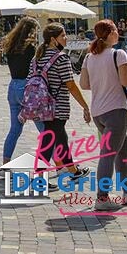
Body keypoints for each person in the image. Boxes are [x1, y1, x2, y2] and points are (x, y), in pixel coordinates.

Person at [79, 19, 127, 211]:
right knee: (108, 153)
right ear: (109, 34)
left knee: (123, 149)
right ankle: (102, 197)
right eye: (116, 30)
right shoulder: (119, 54)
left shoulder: (89, 57)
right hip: (115, 109)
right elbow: (126, 82)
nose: (118, 33)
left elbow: (84, 84)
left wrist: (102, 81)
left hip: (98, 111)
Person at [34, 23, 92, 185]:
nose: (66, 38)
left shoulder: (37, 57)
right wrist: (84, 105)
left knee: (59, 138)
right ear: (53, 39)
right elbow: (71, 85)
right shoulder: (61, 57)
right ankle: (39, 180)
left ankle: (73, 171)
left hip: (41, 105)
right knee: (49, 141)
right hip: (57, 106)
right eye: (63, 36)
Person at [0, 17, 45, 164]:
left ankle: (5, 163)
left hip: (13, 87)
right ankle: (59, 163)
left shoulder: (10, 46)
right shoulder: (30, 48)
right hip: (27, 88)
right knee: (45, 131)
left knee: (15, 129)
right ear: (31, 31)